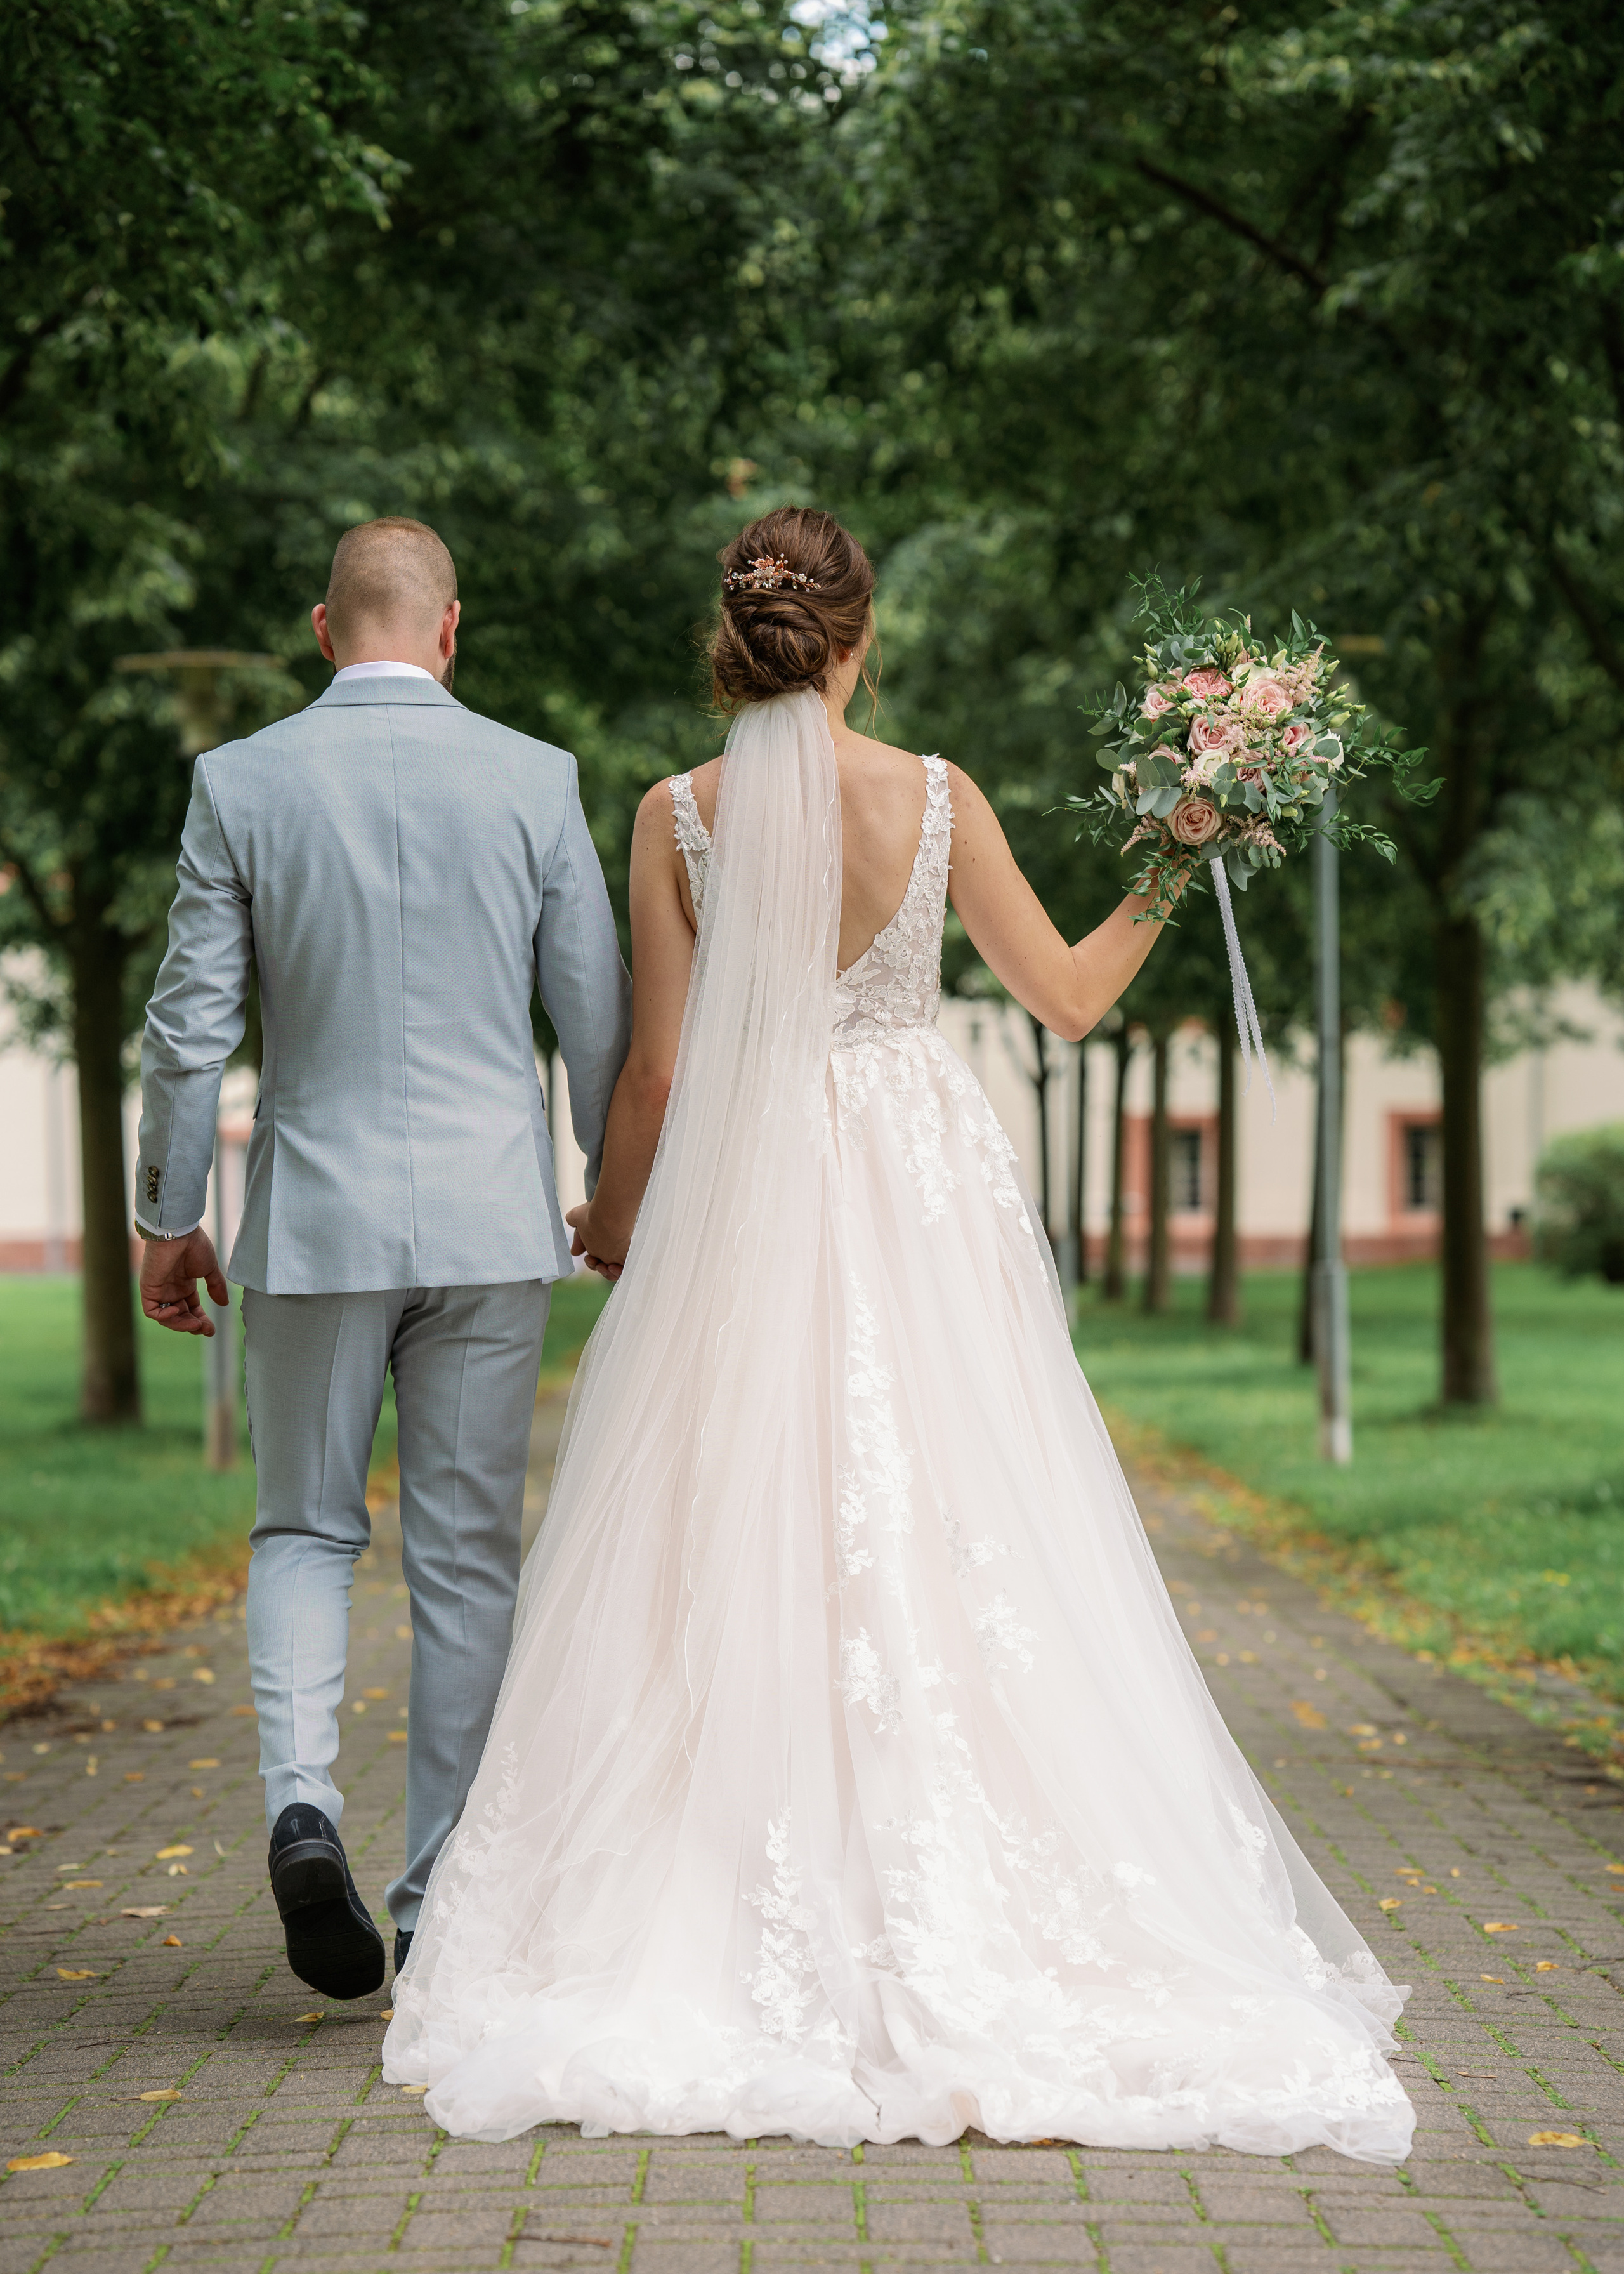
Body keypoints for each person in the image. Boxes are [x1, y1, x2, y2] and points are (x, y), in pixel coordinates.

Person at [382, 507, 1414, 2161]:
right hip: (917, 1195)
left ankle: (712, 1889)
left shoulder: (673, 813)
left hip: (745, 1194)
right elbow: (1068, 996)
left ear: (737, 639)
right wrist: (1178, 851)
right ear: (861, 637)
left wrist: (616, 1214)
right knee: (950, 1514)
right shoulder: (937, 799)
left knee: (724, 1521)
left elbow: (657, 1068)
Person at [133, 517, 632, 2001]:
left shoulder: (241, 781)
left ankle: (302, 1807)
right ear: (451, 628)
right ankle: (437, 1905)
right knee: (465, 1557)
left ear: (321, 626)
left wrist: (169, 1209)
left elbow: (187, 1028)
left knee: (302, 1529)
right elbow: (594, 1016)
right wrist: (610, 1191)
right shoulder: (535, 778)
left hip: (315, 1221)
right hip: (489, 1221)